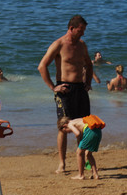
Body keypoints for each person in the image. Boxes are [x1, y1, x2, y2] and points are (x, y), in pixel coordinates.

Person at [38, 15, 93, 174]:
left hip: (80, 88)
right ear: (71, 28)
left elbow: (89, 65)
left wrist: (88, 82)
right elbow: (42, 66)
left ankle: (82, 162)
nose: (83, 33)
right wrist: (53, 87)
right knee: (64, 126)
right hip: (65, 89)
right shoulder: (59, 44)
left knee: (83, 125)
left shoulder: (82, 45)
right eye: (80, 30)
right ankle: (62, 163)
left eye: (84, 30)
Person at [58, 114, 105, 180]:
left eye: (67, 132)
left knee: (79, 153)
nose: (69, 133)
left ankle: (81, 175)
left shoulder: (70, 124)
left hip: (89, 131)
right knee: (88, 154)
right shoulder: (76, 120)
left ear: (64, 126)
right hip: (98, 131)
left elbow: (77, 133)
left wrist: (79, 139)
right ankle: (95, 174)